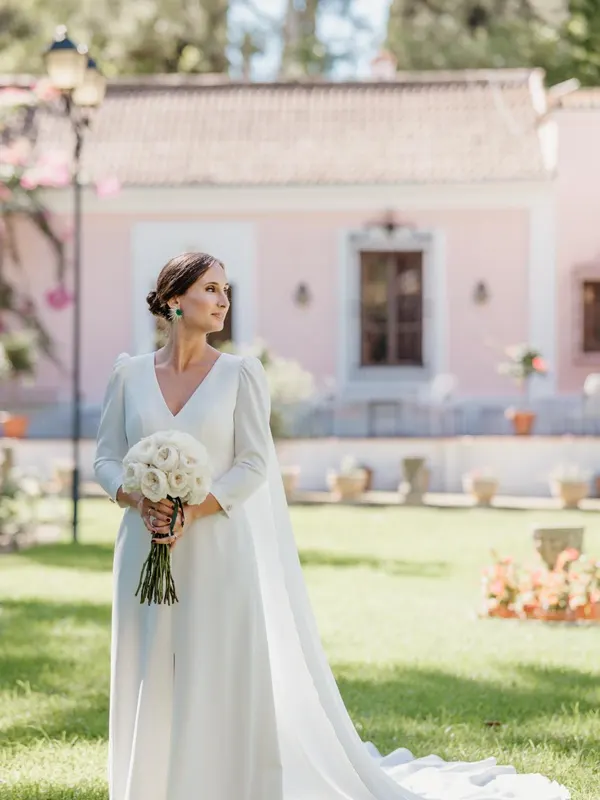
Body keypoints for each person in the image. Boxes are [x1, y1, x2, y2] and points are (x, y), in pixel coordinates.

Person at [94, 252, 569, 800]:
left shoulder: (239, 375)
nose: (223, 300)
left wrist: (193, 510)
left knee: (216, 668)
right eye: (211, 289)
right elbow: (106, 457)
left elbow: (254, 462)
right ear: (176, 299)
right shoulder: (128, 375)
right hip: (143, 545)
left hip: (216, 544)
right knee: (148, 665)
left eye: (226, 289)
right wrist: (136, 498)